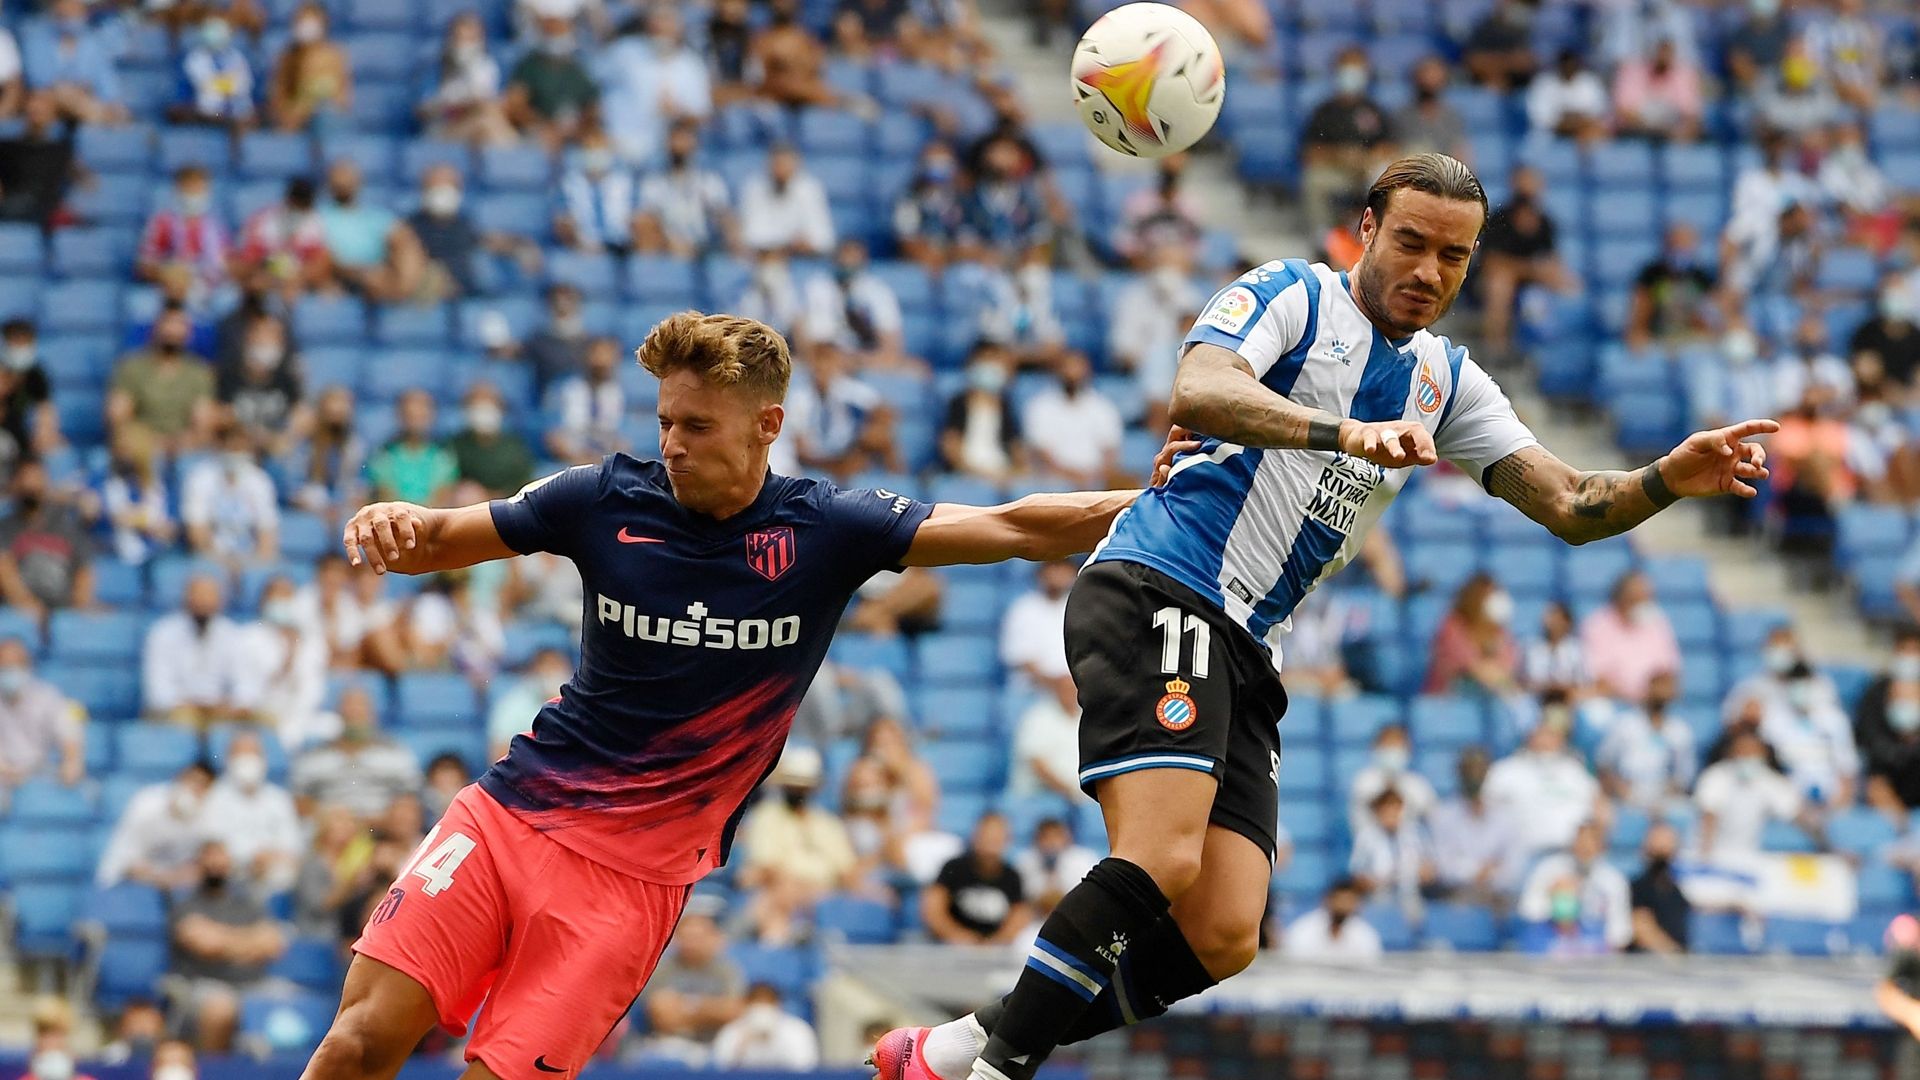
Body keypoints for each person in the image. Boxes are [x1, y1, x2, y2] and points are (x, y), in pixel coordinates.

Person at [877, 153, 1775, 1080]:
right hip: (1165, 585)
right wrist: (1342, 432)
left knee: (1225, 932)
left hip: (1248, 643)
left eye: (1454, 256)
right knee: (1162, 857)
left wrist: (1668, 478)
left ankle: (956, 1045)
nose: (1428, 271)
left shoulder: (1447, 382)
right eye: (1412, 243)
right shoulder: (1292, 296)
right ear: (1367, 228)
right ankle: (997, 1072)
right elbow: (1200, 389)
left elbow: (1573, 505)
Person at [303, 310, 1173, 1080]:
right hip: (507, 820)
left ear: (768, 425)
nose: (673, 444)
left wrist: (1160, 499)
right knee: (356, 1045)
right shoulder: (600, 498)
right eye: (665, 422)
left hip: (632, 885)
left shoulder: (828, 529)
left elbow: (1014, 525)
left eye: (697, 426)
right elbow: (437, 540)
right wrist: (393, 520)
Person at [170, 841, 288, 1051]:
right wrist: (250, 942)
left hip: (255, 983)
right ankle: (216, 1066)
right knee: (221, 1009)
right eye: (210, 858)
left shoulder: (247, 904)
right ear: (199, 865)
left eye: (221, 858)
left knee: (296, 1004)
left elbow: (273, 944)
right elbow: (206, 944)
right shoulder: (186, 905)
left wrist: (222, 939)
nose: (216, 865)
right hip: (203, 983)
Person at [1296, 48, 1395, 243]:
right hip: (1337, 172)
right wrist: (1339, 155)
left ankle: (1382, 233)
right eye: (1347, 68)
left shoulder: (1373, 110)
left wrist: (1368, 158)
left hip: (1368, 172)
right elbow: (1309, 152)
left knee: (1387, 176)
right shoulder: (1325, 112)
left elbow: (1389, 146)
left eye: (1357, 69)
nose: (1352, 75)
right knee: (1313, 181)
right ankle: (1323, 239)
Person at [1476, 165, 1576, 358]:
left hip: (1531, 278)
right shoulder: (1499, 217)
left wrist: (1550, 274)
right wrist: (1529, 269)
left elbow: (1553, 260)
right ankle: (1496, 347)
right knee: (1500, 285)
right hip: (1493, 280)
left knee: (1571, 285)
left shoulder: (1544, 221)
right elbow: (1490, 263)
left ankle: (1559, 350)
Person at [734, 744, 857, 898]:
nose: (798, 792)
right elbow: (767, 868)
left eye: (803, 787)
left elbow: (847, 869)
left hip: (829, 895)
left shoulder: (828, 823)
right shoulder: (766, 817)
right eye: (793, 786)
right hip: (784, 894)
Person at [634, 901, 746, 1063]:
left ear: (712, 938)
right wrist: (710, 1011)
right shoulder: (661, 967)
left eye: (698, 937)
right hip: (667, 1043)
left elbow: (733, 1011)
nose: (692, 943)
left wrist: (685, 1007)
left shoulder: (726, 970)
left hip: (715, 1043)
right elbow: (660, 1013)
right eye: (687, 937)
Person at [289, 686, 423, 822]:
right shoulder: (314, 757)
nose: (354, 713)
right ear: (338, 713)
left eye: (360, 708)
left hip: (384, 828)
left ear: (373, 714)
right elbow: (299, 801)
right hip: (330, 827)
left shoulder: (396, 754)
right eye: (349, 709)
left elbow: (412, 797)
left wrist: (381, 821)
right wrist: (333, 819)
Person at [142, 575, 260, 727]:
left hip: (221, 711)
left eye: (209, 596)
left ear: (220, 601)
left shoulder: (231, 634)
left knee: (264, 720)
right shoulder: (163, 632)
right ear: (186, 598)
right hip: (177, 711)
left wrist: (233, 705)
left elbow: (245, 684)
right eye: (198, 595)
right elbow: (158, 691)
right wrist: (187, 705)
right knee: (184, 720)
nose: (203, 602)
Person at [108, 305, 220, 455]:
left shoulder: (198, 372)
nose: (172, 330)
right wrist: (146, 442)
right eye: (168, 323)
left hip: (183, 448)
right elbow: (118, 417)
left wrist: (178, 444)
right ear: (154, 329)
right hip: (142, 446)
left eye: (179, 324)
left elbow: (203, 423)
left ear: (189, 334)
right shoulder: (132, 368)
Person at [200, 732, 301, 894]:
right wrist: (251, 857)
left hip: (276, 871)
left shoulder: (279, 798)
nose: (247, 759)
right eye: (240, 753)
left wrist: (271, 857)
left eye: (253, 752)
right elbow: (213, 841)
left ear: (264, 759)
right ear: (228, 759)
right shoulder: (214, 797)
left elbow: (292, 842)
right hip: (233, 875)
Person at [1515, 820, 1631, 953]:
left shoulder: (1613, 880)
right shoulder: (1550, 869)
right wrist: (1554, 899)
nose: (1585, 849)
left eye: (1591, 845)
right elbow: (1527, 910)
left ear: (1602, 848)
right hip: (1549, 941)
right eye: (1581, 844)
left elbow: (1620, 930)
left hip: (1593, 947)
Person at [96, 762, 215, 889]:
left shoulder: (208, 815)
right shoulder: (147, 804)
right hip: (129, 882)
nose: (193, 789)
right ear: (179, 780)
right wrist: (163, 878)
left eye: (202, 786)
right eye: (191, 781)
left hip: (178, 886)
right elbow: (127, 861)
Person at [0, 461, 94, 622]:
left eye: (36, 481)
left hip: (64, 609)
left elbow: (84, 570)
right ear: (15, 485)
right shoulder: (5, 527)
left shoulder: (67, 527)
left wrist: (76, 611)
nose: (31, 488)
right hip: (20, 612)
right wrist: (26, 603)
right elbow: (4, 569)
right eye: (25, 483)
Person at [1427, 747, 1522, 905]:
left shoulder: (1505, 816)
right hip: (1457, 896)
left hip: (1498, 897)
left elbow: (1514, 866)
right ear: (1460, 774)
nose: (1474, 777)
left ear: (1487, 774)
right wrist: (1477, 871)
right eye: (1469, 771)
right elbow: (1444, 866)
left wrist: (1492, 875)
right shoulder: (1443, 815)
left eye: (1479, 771)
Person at [1692, 729, 1807, 858]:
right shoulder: (1715, 776)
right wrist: (1705, 855)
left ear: (1763, 754)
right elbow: (1709, 815)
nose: (1747, 756)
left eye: (1752, 752)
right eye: (1742, 751)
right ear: (1731, 753)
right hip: (1710, 853)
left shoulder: (1769, 780)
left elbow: (1795, 813)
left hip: (1749, 855)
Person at [181, 423, 280, 568]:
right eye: (231, 449)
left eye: (241, 449)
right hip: (210, 559)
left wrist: (251, 565)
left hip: (251, 560)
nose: (236, 455)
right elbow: (197, 534)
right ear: (220, 447)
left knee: (278, 577)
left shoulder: (259, 480)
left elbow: (267, 535)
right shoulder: (201, 476)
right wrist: (224, 563)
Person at [924, 812, 1031, 946]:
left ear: (1007, 840)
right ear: (976, 836)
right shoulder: (954, 868)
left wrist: (995, 942)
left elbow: (1019, 916)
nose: (991, 843)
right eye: (987, 836)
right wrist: (958, 936)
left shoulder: (1012, 876)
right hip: (952, 946)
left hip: (996, 949)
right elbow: (933, 909)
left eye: (996, 838)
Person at [1595, 672, 1695, 813]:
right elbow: (1604, 764)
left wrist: (1665, 797)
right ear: (1648, 689)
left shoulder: (1680, 731)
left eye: (1667, 688)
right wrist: (1621, 790)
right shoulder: (1625, 724)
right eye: (1658, 687)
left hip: (1664, 798)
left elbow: (1684, 776)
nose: (1662, 693)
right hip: (1626, 795)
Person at [634, 119, 736, 258]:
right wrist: (668, 242)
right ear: (667, 144)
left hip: (705, 248)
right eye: (675, 139)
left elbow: (724, 215)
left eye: (685, 139)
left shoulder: (709, 181)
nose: (680, 145)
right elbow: (647, 219)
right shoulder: (654, 183)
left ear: (694, 143)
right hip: (667, 248)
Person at [1021, 355, 1122, 488]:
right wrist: (1072, 477)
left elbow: (1110, 449)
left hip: (1095, 478)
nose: (1072, 374)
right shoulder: (1041, 406)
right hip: (1054, 479)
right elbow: (1041, 452)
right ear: (1058, 372)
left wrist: (1094, 476)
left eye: (1077, 369)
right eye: (1067, 369)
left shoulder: (1102, 406)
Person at [1579, 570, 1682, 702]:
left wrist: (1658, 690)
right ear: (1622, 599)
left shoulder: (1657, 621)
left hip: (1652, 703)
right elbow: (1598, 678)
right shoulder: (1596, 625)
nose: (1644, 604)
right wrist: (1634, 695)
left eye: (1648, 599)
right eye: (1637, 599)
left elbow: (1669, 672)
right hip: (1612, 702)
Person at [19, 0, 126, 124]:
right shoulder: (36, 39)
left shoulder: (94, 43)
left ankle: (99, 117)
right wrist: (70, 90)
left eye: (73, 7)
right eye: (64, 7)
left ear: (83, 11)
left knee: (114, 111)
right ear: (56, 9)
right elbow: (37, 81)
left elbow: (108, 88)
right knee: (47, 102)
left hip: (85, 102)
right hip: (47, 101)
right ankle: (98, 116)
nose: (68, 12)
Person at [419, 13, 516, 147]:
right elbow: (422, 110)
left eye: (471, 39)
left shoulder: (490, 66)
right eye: (460, 38)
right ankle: (518, 152)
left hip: (477, 123)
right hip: (442, 129)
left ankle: (515, 152)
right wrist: (457, 105)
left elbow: (499, 102)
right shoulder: (436, 68)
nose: (465, 44)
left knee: (488, 122)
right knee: (487, 123)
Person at [504, 13, 597, 149]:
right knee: (546, 140)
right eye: (553, 35)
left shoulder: (576, 69)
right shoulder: (529, 66)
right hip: (540, 130)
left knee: (597, 142)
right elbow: (514, 105)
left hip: (574, 129)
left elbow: (593, 106)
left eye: (562, 35)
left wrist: (582, 126)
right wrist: (542, 124)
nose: (558, 40)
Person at [0, 636, 82, 790]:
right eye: (3, 668)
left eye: (14, 666)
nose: (8, 672)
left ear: (27, 667)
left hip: (39, 773)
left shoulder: (46, 696)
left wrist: (71, 762)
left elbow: (69, 732)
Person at [235, 178, 332, 300]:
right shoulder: (264, 220)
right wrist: (272, 273)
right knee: (256, 285)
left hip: (299, 279)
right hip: (266, 273)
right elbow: (248, 259)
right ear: (289, 199)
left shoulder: (314, 222)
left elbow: (320, 261)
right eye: (297, 203)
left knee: (329, 291)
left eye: (305, 205)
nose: (300, 209)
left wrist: (299, 277)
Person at [1626, 223, 1717, 353]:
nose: (1680, 249)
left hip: (1691, 339)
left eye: (1685, 244)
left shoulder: (1701, 277)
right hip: (1658, 338)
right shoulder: (1651, 275)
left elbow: (1711, 316)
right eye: (1676, 243)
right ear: (1666, 244)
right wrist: (1637, 333)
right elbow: (1639, 313)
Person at [1857, 630, 1920, 815]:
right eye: (1904, 650)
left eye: (1915, 650)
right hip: (1886, 768)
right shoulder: (1876, 691)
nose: (1910, 657)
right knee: (1876, 783)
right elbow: (1869, 736)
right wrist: (1898, 750)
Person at [1424, 572, 1519, 695]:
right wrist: (1500, 678)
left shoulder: (1498, 630)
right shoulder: (1452, 626)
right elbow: (1473, 667)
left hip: (1487, 698)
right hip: (1448, 699)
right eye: (1491, 595)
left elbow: (1508, 664)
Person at [552, 129, 642, 254]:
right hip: (581, 248)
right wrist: (578, 240)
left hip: (622, 248)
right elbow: (562, 221)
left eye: (600, 150)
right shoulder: (568, 184)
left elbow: (636, 218)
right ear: (582, 154)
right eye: (590, 150)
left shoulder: (626, 183)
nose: (596, 155)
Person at [267, 2, 352, 133]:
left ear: (323, 24)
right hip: (293, 122)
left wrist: (318, 108)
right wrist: (298, 112)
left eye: (311, 21)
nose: (306, 26)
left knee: (326, 121)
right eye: (302, 21)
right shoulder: (286, 57)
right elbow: (277, 100)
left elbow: (343, 99)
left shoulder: (335, 56)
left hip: (327, 122)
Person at [738, 144, 835, 257]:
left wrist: (804, 243)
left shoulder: (810, 189)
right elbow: (749, 235)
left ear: (796, 165)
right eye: (777, 164)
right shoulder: (754, 187)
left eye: (785, 165)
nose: (781, 170)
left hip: (801, 258)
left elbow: (824, 238)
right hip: (763, 258)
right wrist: (782, 245)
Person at [544, 336, 628, 465]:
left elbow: (624, 439)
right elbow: (552, 436)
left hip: (607, 460)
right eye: (597, 356)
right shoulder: (565, 388)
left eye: (607, 357)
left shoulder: (619, 392)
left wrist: (604, 460)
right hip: (571, 458)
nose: (602, 362)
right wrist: (577, 458)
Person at [0, 92, 79, 228]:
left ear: (53, 114)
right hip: (14, 209)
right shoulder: (7, 148)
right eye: (33, 111)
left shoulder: (61, 150)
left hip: (45, 212)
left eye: (42, 110)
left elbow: (85, 180)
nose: (36, 114)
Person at [368, 390, 458, 506]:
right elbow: (387, 496)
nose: (416, 421)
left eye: (421, 416)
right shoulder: (384, 456)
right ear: (400, 416)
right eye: (410, 416)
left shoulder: (443, 457)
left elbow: (441, 498)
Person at [1346, 787, 1433, 908]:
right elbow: (1357, 876)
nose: (1391, 815)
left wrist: (1422, 874)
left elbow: (1431, 871)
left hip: (1413, 900)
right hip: (1378, 901)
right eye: (1386, 811)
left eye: (1395, 809)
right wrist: (1378, 881)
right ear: (1377, 812)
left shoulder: (1416, 833)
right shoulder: (1366, 838)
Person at [448, 383, 536, 498]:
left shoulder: (514, 446)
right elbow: (448, 483)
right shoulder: (455, 446)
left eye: (489, 404)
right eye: (476, 405)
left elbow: (524, 485)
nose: (483, 410)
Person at [1346, 723, 1436, 835]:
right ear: (1376, 747)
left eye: (1398, 745)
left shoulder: (1418, 784)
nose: (1393, 750)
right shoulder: (1364, 781)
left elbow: (1434, 819)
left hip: (1411, 844)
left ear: (1408, 749)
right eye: (1388, 745)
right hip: (1372, 843)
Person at [999, 559, 1075, 687]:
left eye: (1063, 570)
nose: (1057, 575)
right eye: (1053, 568)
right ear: (1041, 574)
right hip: (1034, 689)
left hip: (1076, 688)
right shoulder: (1023, 608)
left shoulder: (1081, 606)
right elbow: (1020, 657)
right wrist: (1056, 685)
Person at [1611, 38, 1703, 142]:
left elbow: (1691, 116)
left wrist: (1673, 132)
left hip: (1671, 138)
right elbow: (1623, 112)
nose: (1663, 56)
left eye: (1667, 51)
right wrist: (1653, 128)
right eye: (1660, 50)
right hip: (1634, 136)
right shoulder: (1631, 72)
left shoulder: (1684, 76)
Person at [710, 983, 819, 1070]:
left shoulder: (798, 1029)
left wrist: (776, 1035)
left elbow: (805, 1066)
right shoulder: (732, 1031)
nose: (762, 1008)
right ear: (746, 1004)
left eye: (768, 1002)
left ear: (778, 1004)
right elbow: (722, 1069)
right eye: (756, 1002)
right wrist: (742, 1043)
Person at [173, 14, 254, 129]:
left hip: (239, 109)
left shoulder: (236, 56)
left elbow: (244, 84)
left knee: (253, 117)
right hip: (209, 111)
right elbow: (204, 85)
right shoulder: (194, 59)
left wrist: (220, 83)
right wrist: (229, 83)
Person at [1008, 674, 1082, 801]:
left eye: (1074, 689)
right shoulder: (1038, 717)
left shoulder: (1086, 718)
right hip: (1041, 796)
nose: (1070, 694)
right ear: (1056, 690)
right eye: (1066, 689)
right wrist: (1069, 791)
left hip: (1081, 796)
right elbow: (1036, 764)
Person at [1280, 877, 1382, 961]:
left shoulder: (1364, 934)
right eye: (1340, 900)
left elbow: (1370, 964)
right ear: (1327, 900)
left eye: (1349, 901)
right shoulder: (1304, 929)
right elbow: (1294, 962)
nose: (1343, 906)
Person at [1013, 818, 1099, 916]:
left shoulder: (1084, 859)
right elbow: (1023, 900)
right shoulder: (1025, 862)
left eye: (1056, 837)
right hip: (1036, 918)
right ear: (1037, 839)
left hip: (1077, 914)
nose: (1051, 843)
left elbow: (1089, 896)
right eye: (1046, 837)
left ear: (1067, 838)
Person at [1627, 821, 1689, 954]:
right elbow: (1641, 927)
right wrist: (1674, 954)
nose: (1662, 848)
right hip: (1649, 960)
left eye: (1667, 842)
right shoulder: (1639, 887)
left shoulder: (1677, 889)